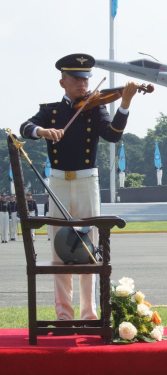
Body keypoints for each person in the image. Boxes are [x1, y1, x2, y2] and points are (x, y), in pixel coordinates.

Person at [20, 53, 138, 321]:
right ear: (63, 82)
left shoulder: (96, 108)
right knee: (59, 248)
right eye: (76, 79)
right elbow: (25, 127)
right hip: (59, 181)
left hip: (87, 181)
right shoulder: (51, 111)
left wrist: (125, 104)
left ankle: (88, 314)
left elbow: (112, 134)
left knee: (89, 246)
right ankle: (63, 314)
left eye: (86, 79)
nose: (83, 85)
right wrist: (43, 132)